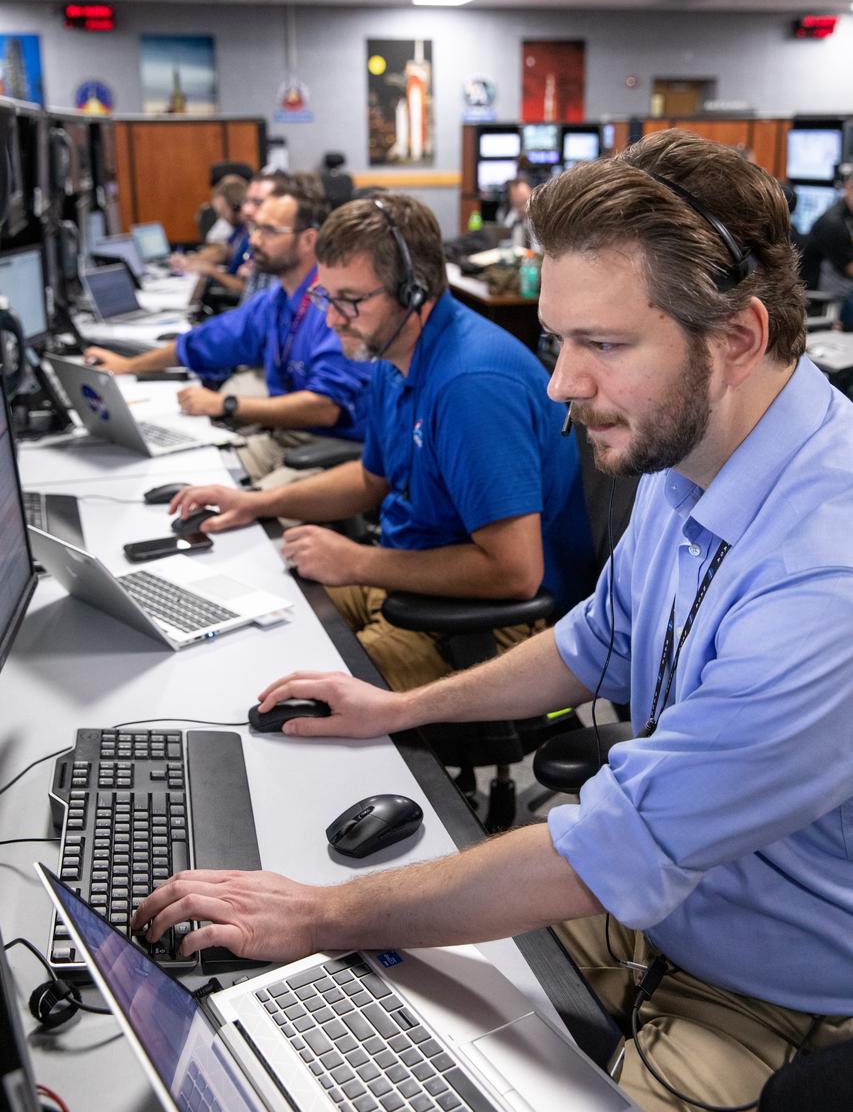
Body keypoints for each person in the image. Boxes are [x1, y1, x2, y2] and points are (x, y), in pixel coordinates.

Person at [135, 132, 853, 1112]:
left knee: (345, 939)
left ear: (734, 336)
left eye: (600, 345)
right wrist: (392, 708)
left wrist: (320, 914)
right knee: (350, 1016)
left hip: (768, 994)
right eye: (559, 341)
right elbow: (588, 643)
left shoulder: (825, 569)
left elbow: (609, 846)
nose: (559, 385)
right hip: (660, 905)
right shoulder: (689, 459)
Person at [169, 193, 593, 690]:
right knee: (242, 628)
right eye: (326, 298)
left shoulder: (470, 385)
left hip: (495, 624)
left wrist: (356, 561)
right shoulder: (393, 354)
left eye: (349, 301)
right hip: (406, 580)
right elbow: (371, 479)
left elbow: (515, 573)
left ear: (414, 293)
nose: (330, 320)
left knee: (285, 694)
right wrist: (257, 502)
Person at [85, 182, 373, 481]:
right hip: (285, 436)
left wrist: (227, 405)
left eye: (270, 231)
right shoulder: (277, 299)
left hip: (331, 447)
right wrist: (128, 366)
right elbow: (204, 342)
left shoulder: (333, 305)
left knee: (236, 513)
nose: (255, 241)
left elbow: (326, 408)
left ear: (308, 240)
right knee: (193, 480)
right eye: (255, 229)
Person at [172, 174, 250, 298]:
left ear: (232, 207)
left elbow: (245, 288)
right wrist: (190, 261)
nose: (222, 218)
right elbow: (222, 251)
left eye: (222, 212)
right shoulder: (238, 232)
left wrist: (211, 271)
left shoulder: (250, 235)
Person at [800, 163, 853, 300]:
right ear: (848, 189)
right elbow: (849, 268)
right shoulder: (833, 223)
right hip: (819, 295)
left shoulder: (848, 215)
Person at [497, 176, 534, 248]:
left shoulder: (539, 217)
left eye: (524, 200)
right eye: (515, 197)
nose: (518, 199)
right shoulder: (506, 213)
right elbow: (503, 233)